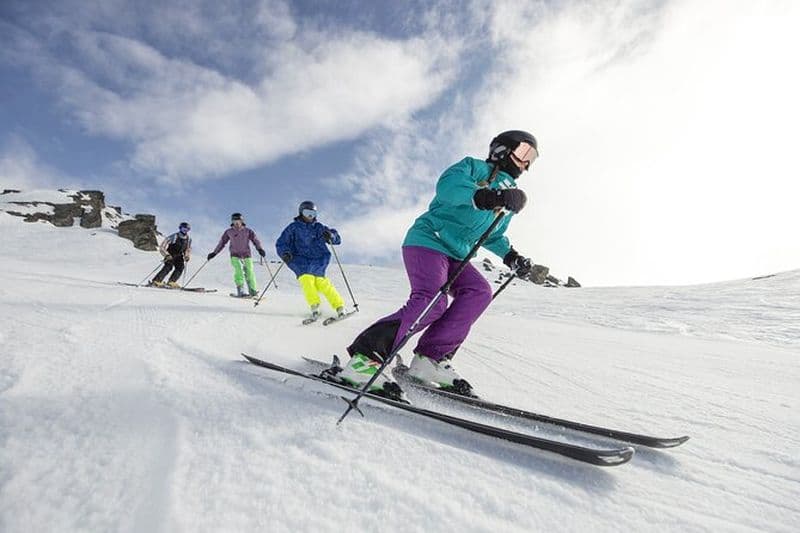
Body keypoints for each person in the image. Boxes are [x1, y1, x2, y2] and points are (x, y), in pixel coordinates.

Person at [338, 130, 539, 400]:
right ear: (502, 150)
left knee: (479, 292)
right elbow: (448, 188)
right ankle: (364, 360)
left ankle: (429, 360)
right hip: (428, 240)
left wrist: (511, 255)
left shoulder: (509, 195)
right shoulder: (473, 167)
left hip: (458, 253)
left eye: (532, 158)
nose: (526, 163)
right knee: (432, 300)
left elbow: (492, 234)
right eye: (525, 152)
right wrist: (486, 197)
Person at [275, 201, 347, 321]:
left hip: (318, 258)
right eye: (307, 213)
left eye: (312, 213)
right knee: (306, 280)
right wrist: (285, 253)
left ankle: (340, 307)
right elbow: (282, 243)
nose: (310, 216)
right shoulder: (293, 228)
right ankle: (315, 308)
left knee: (321, 282)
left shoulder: (318, 228)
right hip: (299, 260)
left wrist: (331, 235)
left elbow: (336, 238)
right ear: (301, 213)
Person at [206, 213, 266, 297]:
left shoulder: (248, 231)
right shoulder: (229, 232)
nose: (237, 223)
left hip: (246, 254)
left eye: (238, 221)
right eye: (234, 221)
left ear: (242, 221)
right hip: (235, 254)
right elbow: (222, 243)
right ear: (232, 222)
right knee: (239, 270)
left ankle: (253, 290)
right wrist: (214, 253)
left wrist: (260, 249)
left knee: (250, 272)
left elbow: (255, 240)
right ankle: (240, 290)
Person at [150, 222, 192, 288]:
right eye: (183, 229)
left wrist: (187, 256)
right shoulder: (174, 236)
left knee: (180, 267)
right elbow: (162, 246)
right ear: (180, 228)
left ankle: (171, 282)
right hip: (171, 254)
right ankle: (156, 281)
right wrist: (166, 255)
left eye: (187, 229)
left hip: (179, 256)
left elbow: (187, 249)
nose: (185, 231)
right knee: (168, 267)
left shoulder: (188, 239)